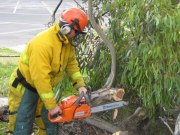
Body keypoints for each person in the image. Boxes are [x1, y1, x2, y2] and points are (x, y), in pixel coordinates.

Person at [8, 8, 88, 135]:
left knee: (49, 124)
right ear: (67, 28)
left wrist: (80, 85)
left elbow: (71, 65)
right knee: (22, 125)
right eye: (77, 32)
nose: (77, 36)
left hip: (45, 90)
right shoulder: (42, 45)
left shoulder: (66, 42)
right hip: (26, 88)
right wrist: (51, 106)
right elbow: (40, 79)